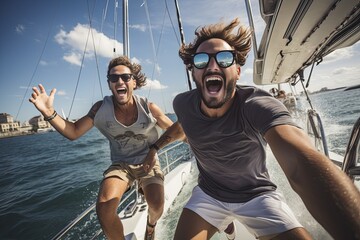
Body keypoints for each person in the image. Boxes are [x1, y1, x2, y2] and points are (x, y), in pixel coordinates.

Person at [143, 18, 360, 240]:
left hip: (258, 196)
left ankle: (228, 226)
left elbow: (298, 165)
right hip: (209, 195)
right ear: (194, 73)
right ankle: (227, 226)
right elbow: (183, 126)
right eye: (201, 60)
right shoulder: (183, 104)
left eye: (224, 58)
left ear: (237, 71)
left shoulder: (257, 105)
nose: (212, 66)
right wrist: (155, 147)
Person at [29, 56, 173, 240]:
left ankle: (151, 226)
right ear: (109, 84)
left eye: (125, 77)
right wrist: (49, 112)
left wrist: (199, 147)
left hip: (148, 161)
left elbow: (176, 131)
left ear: (134, 82)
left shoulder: (149, 108)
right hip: (121, 164)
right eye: (114, 78)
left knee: (157, 206)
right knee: (104, 208)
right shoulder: (100, 109)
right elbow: (73, 131)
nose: (119, 81)